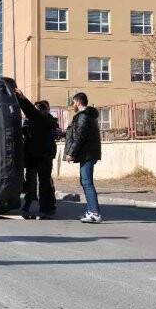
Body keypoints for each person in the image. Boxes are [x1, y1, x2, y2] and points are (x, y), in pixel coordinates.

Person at [15, 91, 61, 219]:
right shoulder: (38, 120)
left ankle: (47, 207)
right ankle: (36, 205)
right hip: (33, 155)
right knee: (33, 181)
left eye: (37, 109)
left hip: (42, 156)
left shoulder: (43, 119)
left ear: (44, 110)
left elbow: (29, 109)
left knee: (44, 182)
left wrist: (21, 97)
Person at [64, 92, 102, 223]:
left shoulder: (83, 116)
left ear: (78, 102)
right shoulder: (88, 116)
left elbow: (80, 136)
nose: (73, 105)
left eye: (73, 102)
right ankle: (90, 211)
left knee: (87, 182)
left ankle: (95, 213)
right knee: (85, 182)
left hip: (87, 154)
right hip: (89, 153)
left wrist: (71, 153)